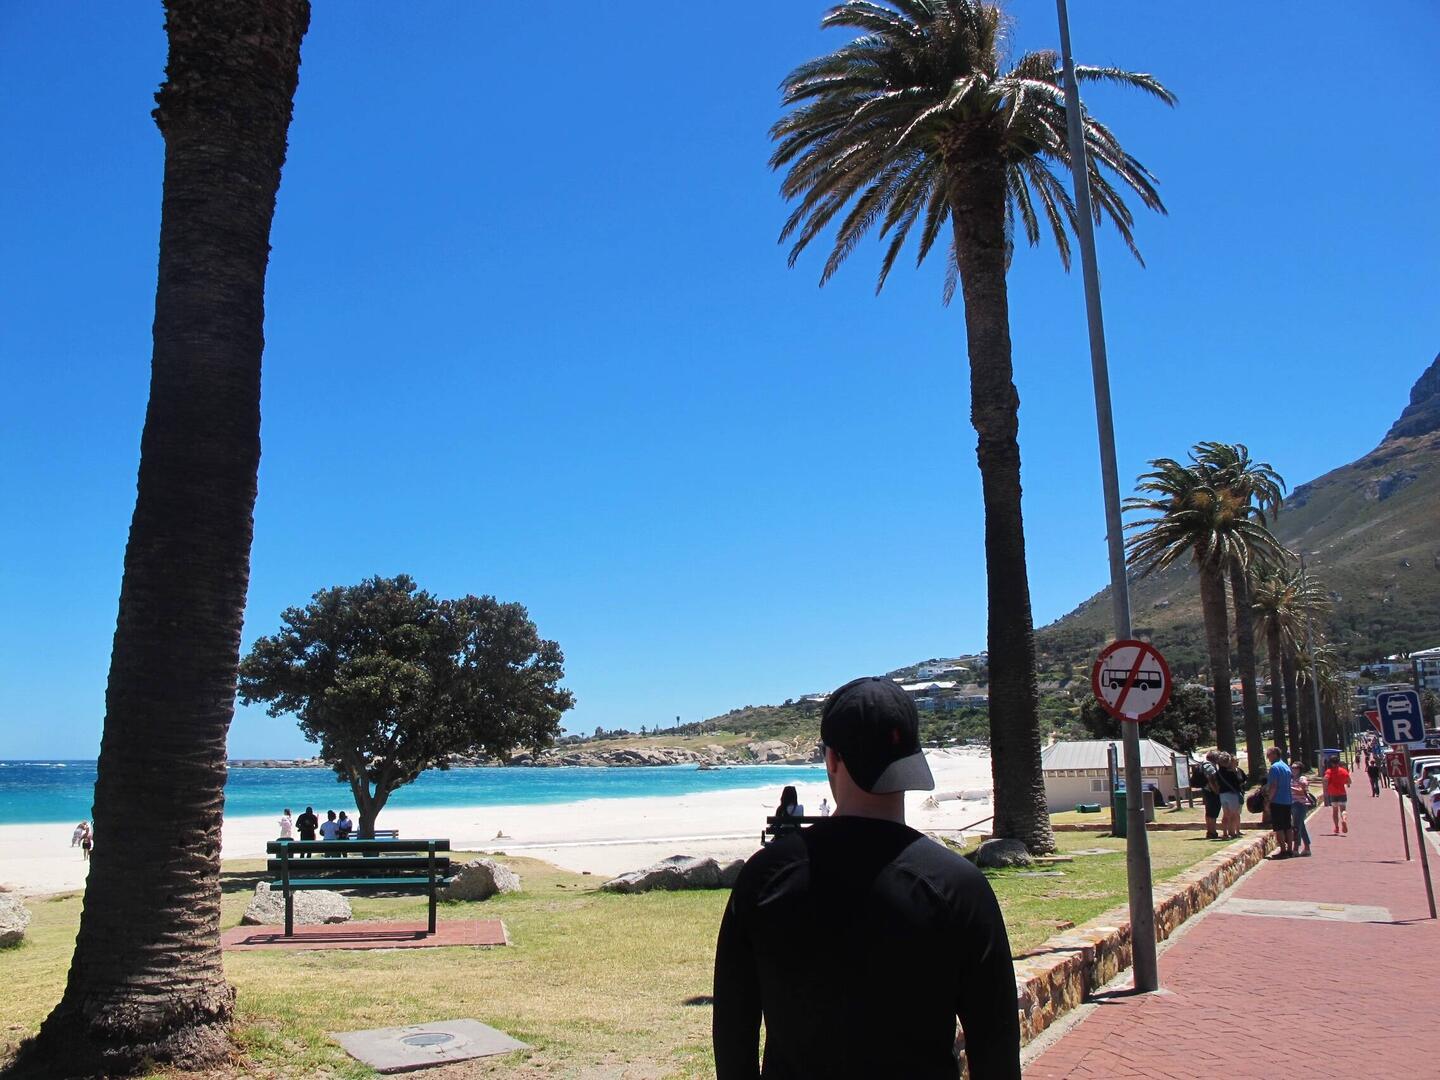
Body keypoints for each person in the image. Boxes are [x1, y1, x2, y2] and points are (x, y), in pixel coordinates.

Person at [713, 676, 1020, 1079]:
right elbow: (996, 1046)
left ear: (832, 760)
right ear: (914, 758)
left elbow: (734, 1034)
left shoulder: (766, 876)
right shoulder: (959, 886)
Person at [1263, 747, 1295, 858]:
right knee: (1288, 826)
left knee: (1279, 827)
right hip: (1287, 800)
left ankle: (1283, 850)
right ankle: (1290, 849)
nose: (1267, 756)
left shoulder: (1274, 768)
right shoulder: (1286, 766)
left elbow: (1273, 786)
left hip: (1277, 800)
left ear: (1275, 754)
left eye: (1269, 754)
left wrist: (1269, 801)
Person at [1215, 753, 1246, 840]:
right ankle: (1232, 833)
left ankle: (1225, 833)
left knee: (1225, 814)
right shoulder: (1231, 772)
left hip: (1222, 794)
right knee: (1233, 814)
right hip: (1232, 794)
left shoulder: (1218, 773)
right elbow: (1237, 783)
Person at [1289, 763, 1313, 857]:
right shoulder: (1291, 779)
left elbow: (1301, 791)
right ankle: (1307, 848)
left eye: (1295, 768)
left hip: (1300, 804)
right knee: (1301, 826)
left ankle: (1295, 848)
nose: (1293, 769)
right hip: (1292, 804)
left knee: (1296, 827)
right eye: (1292, 767)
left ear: (1300, 769)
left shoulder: (1302, 779)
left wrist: (1289, 787)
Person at [1324, 755, 1351, 834]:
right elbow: (1349, 781)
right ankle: (1344, 820)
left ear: (1331, 763)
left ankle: (1336, 827)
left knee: (1335, 811)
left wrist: (1326, 789)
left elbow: (1325, 779)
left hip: (1333, 793)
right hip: (1342, 792)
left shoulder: (1329, 771)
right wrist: (1343, 782)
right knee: (1343, 810)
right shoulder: (1343, 771)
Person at [1198, 751, 1222, 839]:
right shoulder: (1209, 766)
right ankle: (1212, 831)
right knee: (1212, 812)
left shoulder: (1204, 764)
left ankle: (1211, 831)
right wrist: (1216, 790)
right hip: (1211, 792)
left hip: (1207, 790)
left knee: (1209, 812)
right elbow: (1211, 779)